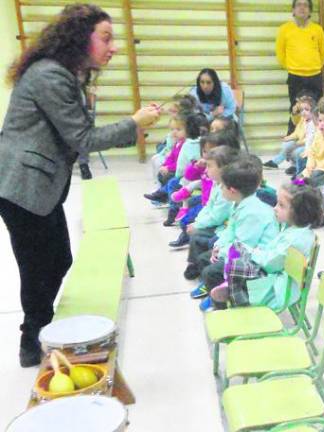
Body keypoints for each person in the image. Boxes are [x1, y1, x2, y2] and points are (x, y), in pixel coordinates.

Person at [0, 4, 160, 367]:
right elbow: (83, 139)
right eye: (106, 38)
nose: (113, 47)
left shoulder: (65, 74)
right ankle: (33, 340)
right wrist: (134, 122)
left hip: (39, 185)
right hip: (22, 187)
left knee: (57, 259)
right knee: (38, 266)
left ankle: (40, 328)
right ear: (79, 38)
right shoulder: (51, 76)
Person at [210, 181, 323, 309]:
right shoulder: (293, 229)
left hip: (277, 287)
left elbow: (271, 264)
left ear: (300, 212)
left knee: (237, 261)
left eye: (281, 205)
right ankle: (231, 287)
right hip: (273, 271)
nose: (275, 208)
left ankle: (236, 294)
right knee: (237, 250)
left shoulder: (296, 239)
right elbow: (271, 253)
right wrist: (254, 251)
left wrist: (253, 252)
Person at [198, 156, 280, 311]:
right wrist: (219, 246)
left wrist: (221, 253)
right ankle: (216, 294)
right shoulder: (241, 203)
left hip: (257, 262)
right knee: (204, 258)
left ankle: (225, 308)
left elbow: (243, 246)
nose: (219, 188)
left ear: (232, 190)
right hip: (242, 253)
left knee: (211, 272)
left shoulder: (252, 212)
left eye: (222, 186)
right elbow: (231, 231)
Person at [184, 147, 241, 283]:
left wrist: (198, 225)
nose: (206, 170)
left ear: (223, 169)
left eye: (209, 166)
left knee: (199, 236)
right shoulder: (217, 184)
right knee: (193, 231)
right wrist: (197, 222)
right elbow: (208, 206)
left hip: (220, 227)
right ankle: (195, 265)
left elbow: (217, 217)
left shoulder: (227, 191)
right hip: (219, 227)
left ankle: (205, 272)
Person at [276, 0, 324, 134]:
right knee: (296, 109)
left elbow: (323, 53)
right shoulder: (285, 29)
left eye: (306, 5)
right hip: (295, 77)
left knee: (317, 109)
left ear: (310, 11)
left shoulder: (317, 29)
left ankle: (317, 140)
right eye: (299, 5)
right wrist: (293, 67)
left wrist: (313, 67)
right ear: (293, 10)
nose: (302, 8)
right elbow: (280, 54)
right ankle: (292, 140)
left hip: (315, 76)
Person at [264, 94, 316, 173]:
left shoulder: (313, 123)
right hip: (302, 142)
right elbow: (297, 132)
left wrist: (298, 143)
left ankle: (297, 166)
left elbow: (311, 139)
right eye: (302, 110)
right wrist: (288, 138)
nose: (303, 112)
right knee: (287, 144)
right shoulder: (304, 119)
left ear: (312, 110)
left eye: (307, 109)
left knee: (296, 152)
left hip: (310, 145)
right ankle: (276, 162)